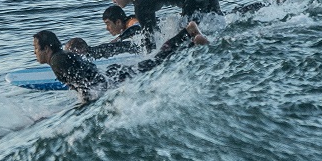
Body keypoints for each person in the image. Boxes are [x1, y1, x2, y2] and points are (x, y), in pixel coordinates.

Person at [32, 23, 209, 102]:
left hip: (115, 77)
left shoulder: (57, 62)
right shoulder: (61, 56)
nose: (35, 53)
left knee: (157, 61)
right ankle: (191, 40)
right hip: (112, 74)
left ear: (46, 48)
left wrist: (85, 104)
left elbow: (85, 84)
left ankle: (188, 33)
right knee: (156, 61)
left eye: (36, 49)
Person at [106, 0, 221, 50]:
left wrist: (150, 58)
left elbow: (149, 36)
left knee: (188, 37)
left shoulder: (140, 2)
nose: (113, 1)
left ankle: (205, 43)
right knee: (219, 23)